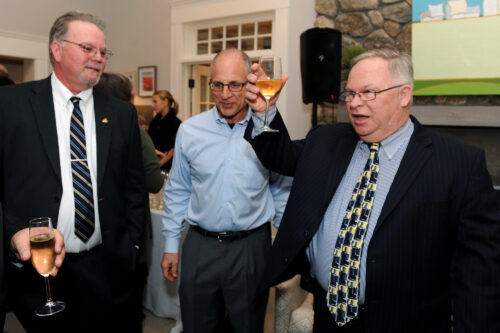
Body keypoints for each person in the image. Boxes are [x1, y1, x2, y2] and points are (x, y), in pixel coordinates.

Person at [244, 48, 500, 332]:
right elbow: (280, 156)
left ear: (404, 95)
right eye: (350, 93)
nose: (354, 103)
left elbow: (479, 276)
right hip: (328, 315)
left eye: (368, 92)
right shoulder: (326, 140)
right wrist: (264, 112)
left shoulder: (458, 164)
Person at [0, 11, 147, 332]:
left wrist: (132, 246)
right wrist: (13, 234)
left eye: (102, 52)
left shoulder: (121, 114)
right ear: (56, 49)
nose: (98, 58)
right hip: (39, 271)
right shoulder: (10, 105)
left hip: (105, 267)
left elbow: (134, 187)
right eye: (88, 48)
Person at [160, 48, 292, 333]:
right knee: (196, 324)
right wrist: (171, 245)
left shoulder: (269, 131)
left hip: (251, 248)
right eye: (217, 84)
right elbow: (178, 189)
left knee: (248, 325)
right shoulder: (190, 131)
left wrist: (286, 248)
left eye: (235, 84)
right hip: (199, 246)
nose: (225, 93)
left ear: (250, 84)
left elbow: (281, 188)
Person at [94, 72, 163, 330]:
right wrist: (150, 160)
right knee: (129, 309)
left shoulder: (86, 130)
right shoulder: (136, 133)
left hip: (95, 238)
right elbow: (154, 183)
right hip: (129, 237)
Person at [147, 90, 182, 172]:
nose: (153, 105)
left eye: (155, 102)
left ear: (165, 102)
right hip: (153, 164)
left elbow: (173, 149)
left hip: (168, 169)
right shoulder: (154, 122)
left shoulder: (176, 123)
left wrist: (157, 166)